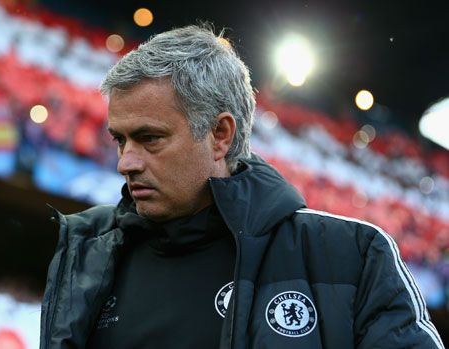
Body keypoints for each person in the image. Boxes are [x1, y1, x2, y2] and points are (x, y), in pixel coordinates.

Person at [39, 25, 444, 349]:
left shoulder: (352, 257)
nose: (126, 162)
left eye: (150, 139)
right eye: (120, 140)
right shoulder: (87, 257)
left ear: (220, 134)